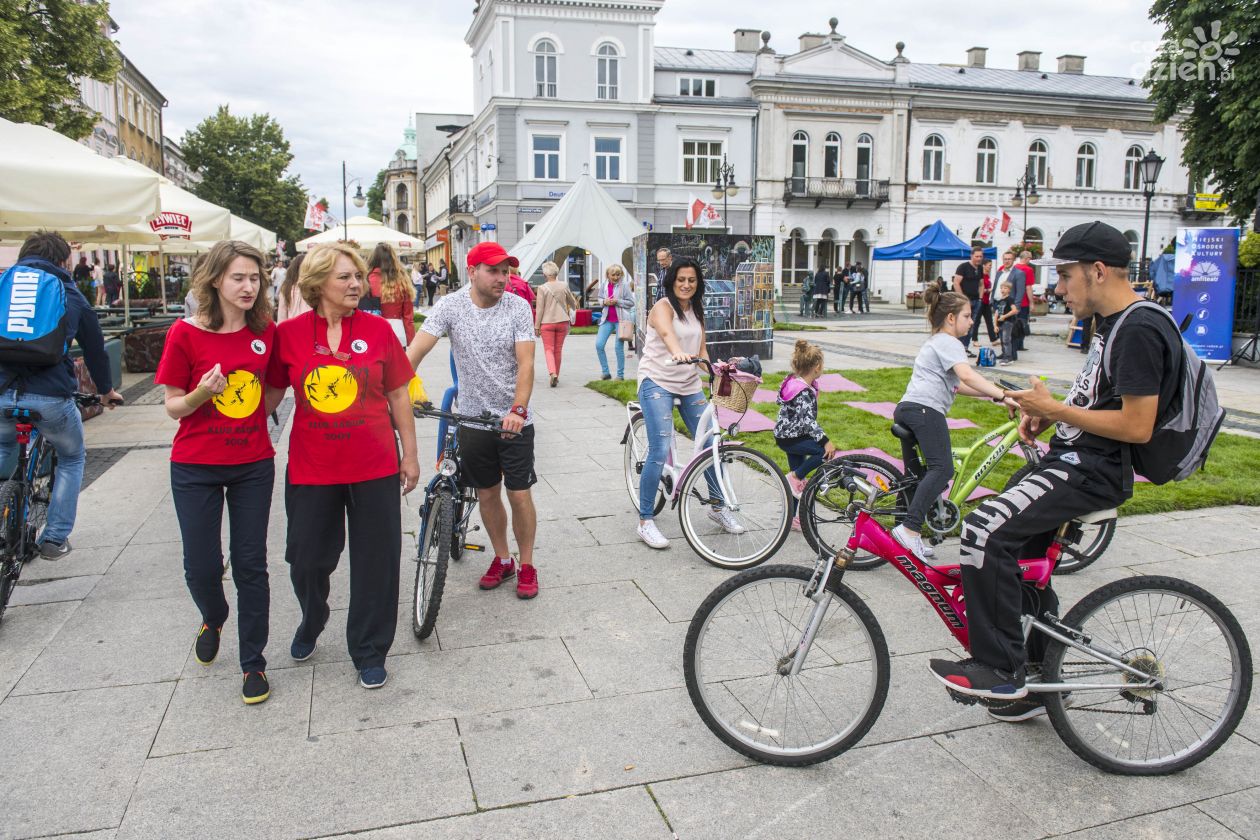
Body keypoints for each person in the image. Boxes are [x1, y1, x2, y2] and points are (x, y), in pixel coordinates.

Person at [931, 221, 1180, 719]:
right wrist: (1049, 412)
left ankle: (1001, 671)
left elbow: (1136, 425)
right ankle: (1039, 674)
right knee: (1024, 563)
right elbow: (1102, 401)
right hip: (1073, 458)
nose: (1059, 288)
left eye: (1065, 276)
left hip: (1089, 470)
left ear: (1098, 270)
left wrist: (1058, 411)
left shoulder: (1139, 328)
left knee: (982, 530)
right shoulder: (1115, 324)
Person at [267, 242, 419, 690]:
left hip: (373, 463)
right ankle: (313, 615)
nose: (357, 284)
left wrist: (408, 454)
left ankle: (370, 650)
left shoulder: (377, 330)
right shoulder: (289, 334)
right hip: (312, 466)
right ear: (317, 285)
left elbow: (398, 395)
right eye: (345, 277)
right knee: (306, 558)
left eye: (358, 276)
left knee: (378, 560)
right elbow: (271, 394)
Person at [156, 240, 280, 706]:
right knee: (201, 565)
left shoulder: (266, 332)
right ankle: (213, 614)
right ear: (215, 281)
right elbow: (172, 407)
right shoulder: (184, 334)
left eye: (255, 278)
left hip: (251, 465)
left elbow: (272, 390)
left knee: (251, 564)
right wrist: (199, 397)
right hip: (194, 466)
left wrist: (249, 420)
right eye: (238, 278)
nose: (249, 287)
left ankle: (254, 663)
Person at [406, 241, 540, 599]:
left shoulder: (518, 306)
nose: (502, 278)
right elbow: (414, 352)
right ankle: (502, 558)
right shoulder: (451, 306)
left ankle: (526, 564)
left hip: (513, 420)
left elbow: (526, 363)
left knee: (520, 493)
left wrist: (518, 409)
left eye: (506, 271)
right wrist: (407, 387)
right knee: (486, 493)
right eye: (494, 271)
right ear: (473, 271)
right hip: (471, 417)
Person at [0, 233, 124, 558]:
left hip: (1, 393)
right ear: (62, 262)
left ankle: (5, 517)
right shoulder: (69, 293)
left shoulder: (4, 285)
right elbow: (96, 350)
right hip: (51, 398)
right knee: (71, 457)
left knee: (2, 448)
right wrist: (106, 391)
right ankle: (54, 539)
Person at [891, 286, 1009, 561]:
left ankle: (904, 536)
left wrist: (994, 396)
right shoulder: (949, 342)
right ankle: (909, 531)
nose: (971, 321)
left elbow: (959, 386)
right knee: (942, 469)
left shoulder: (936, 342)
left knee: (916, 478)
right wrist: (1001, 393)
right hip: (925, 410)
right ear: (951, 318)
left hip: (908, 407)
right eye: (967, 316)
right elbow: (966, 375)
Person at [633, 258, 742, 550]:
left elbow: (702, 349)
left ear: (698, 284)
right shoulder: (662, 308)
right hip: (657, 379)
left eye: (691, 280)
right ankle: (645, 520)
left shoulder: (696, 310)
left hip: (688, 381)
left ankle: (718, 508)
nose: (686, 285)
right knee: (660, 446)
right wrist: (678, 352)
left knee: (710, 445)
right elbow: (669, 335)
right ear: (672, 280)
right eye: (681, 279)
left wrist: (715, 367)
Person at [774, 339, 836, 529]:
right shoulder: (803, 391)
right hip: (793, 437)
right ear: (817, 367)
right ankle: (794, 477)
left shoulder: (795, 382)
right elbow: (808, 421)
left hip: (788, 435)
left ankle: (793, 518)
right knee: (822, 453)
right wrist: (825, 441)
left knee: (797, 483)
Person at [534, 260, 578, 387]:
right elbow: (573, 302)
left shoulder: (542, 288)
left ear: (545, 274)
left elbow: (540, 309)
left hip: (547, 323)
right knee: (558, 350)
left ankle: (552, 373)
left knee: (549, 349)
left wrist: (537, 326)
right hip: (563, 321)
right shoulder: (564, 285)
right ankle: (556, 375)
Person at [366, 243, 416, 345]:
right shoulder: (402, 281)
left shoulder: (365, 280)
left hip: (371, 332)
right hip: (397, 332)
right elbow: (408, 317)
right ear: (393, 259)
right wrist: (411, 341)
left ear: (373, 259)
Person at [594, 264, 634, 381]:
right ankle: (605, 372)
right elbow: (600, 299)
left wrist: (617, 301)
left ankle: (620, 375)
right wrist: (604, 302)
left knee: (618, 348)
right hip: (606, 319)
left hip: (621, 321)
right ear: (608, 275)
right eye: (613, 275)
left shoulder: (625, 286)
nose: (616, 277)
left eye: (618, 274)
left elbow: (631, 302)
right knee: (599, 345)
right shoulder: (604, 285)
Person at [951, 247, 986, 355]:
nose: (979, 259)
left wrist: (980, 298)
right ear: (971, 256)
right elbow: (956, 283)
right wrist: (963, 299)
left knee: (971, 325)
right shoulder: (963, 267)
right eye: (976, 256)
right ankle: (958, 347)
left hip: (976, 300)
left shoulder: (980, 268)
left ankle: (965, 347)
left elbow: (981, 284)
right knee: (961, 324)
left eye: (980, 256)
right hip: (965, 301)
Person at [275, 253, 309, 322]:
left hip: (305, 326)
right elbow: (282, 313)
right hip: (294, 327)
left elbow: (282, 315)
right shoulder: (287, 287)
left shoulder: (313, 287)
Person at [992, 281, 1018, 365]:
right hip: (1000, 323)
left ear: (1009, 290)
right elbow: (996, 313)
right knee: (1002, 340)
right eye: (1002, 288)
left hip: (1007, 322)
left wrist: (1005, 316)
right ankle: (1004, 354)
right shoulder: (1000, 300)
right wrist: (995, 325)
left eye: (1005, 288)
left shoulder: (1009, 299)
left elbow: (1014, 310)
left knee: (1006, 340)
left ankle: (1008, 357)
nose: (1003, 290)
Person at [1013, 250, 1035, 351]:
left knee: (1013, 322)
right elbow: (1028, 288)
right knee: (1022, 322)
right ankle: (1019, 344)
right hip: (1023, 301)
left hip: (1012, 300)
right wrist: (1032, 302)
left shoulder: (1013, 268)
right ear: (1026, 258)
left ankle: (1013, 343)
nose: (1030, 260)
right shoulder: (1028, 270)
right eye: (1030, 258)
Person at [972, 259, 997, 345]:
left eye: (991, 265)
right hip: (980, 300)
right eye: (989, 265)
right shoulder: (981, 275)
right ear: (984, 265)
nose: (990, 267)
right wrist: (987, 290)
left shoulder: (987, 276)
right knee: (977, 321)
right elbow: (977, 288)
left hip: (986, 301)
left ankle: (993, 339)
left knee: (989, 320)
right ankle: (974, 340)